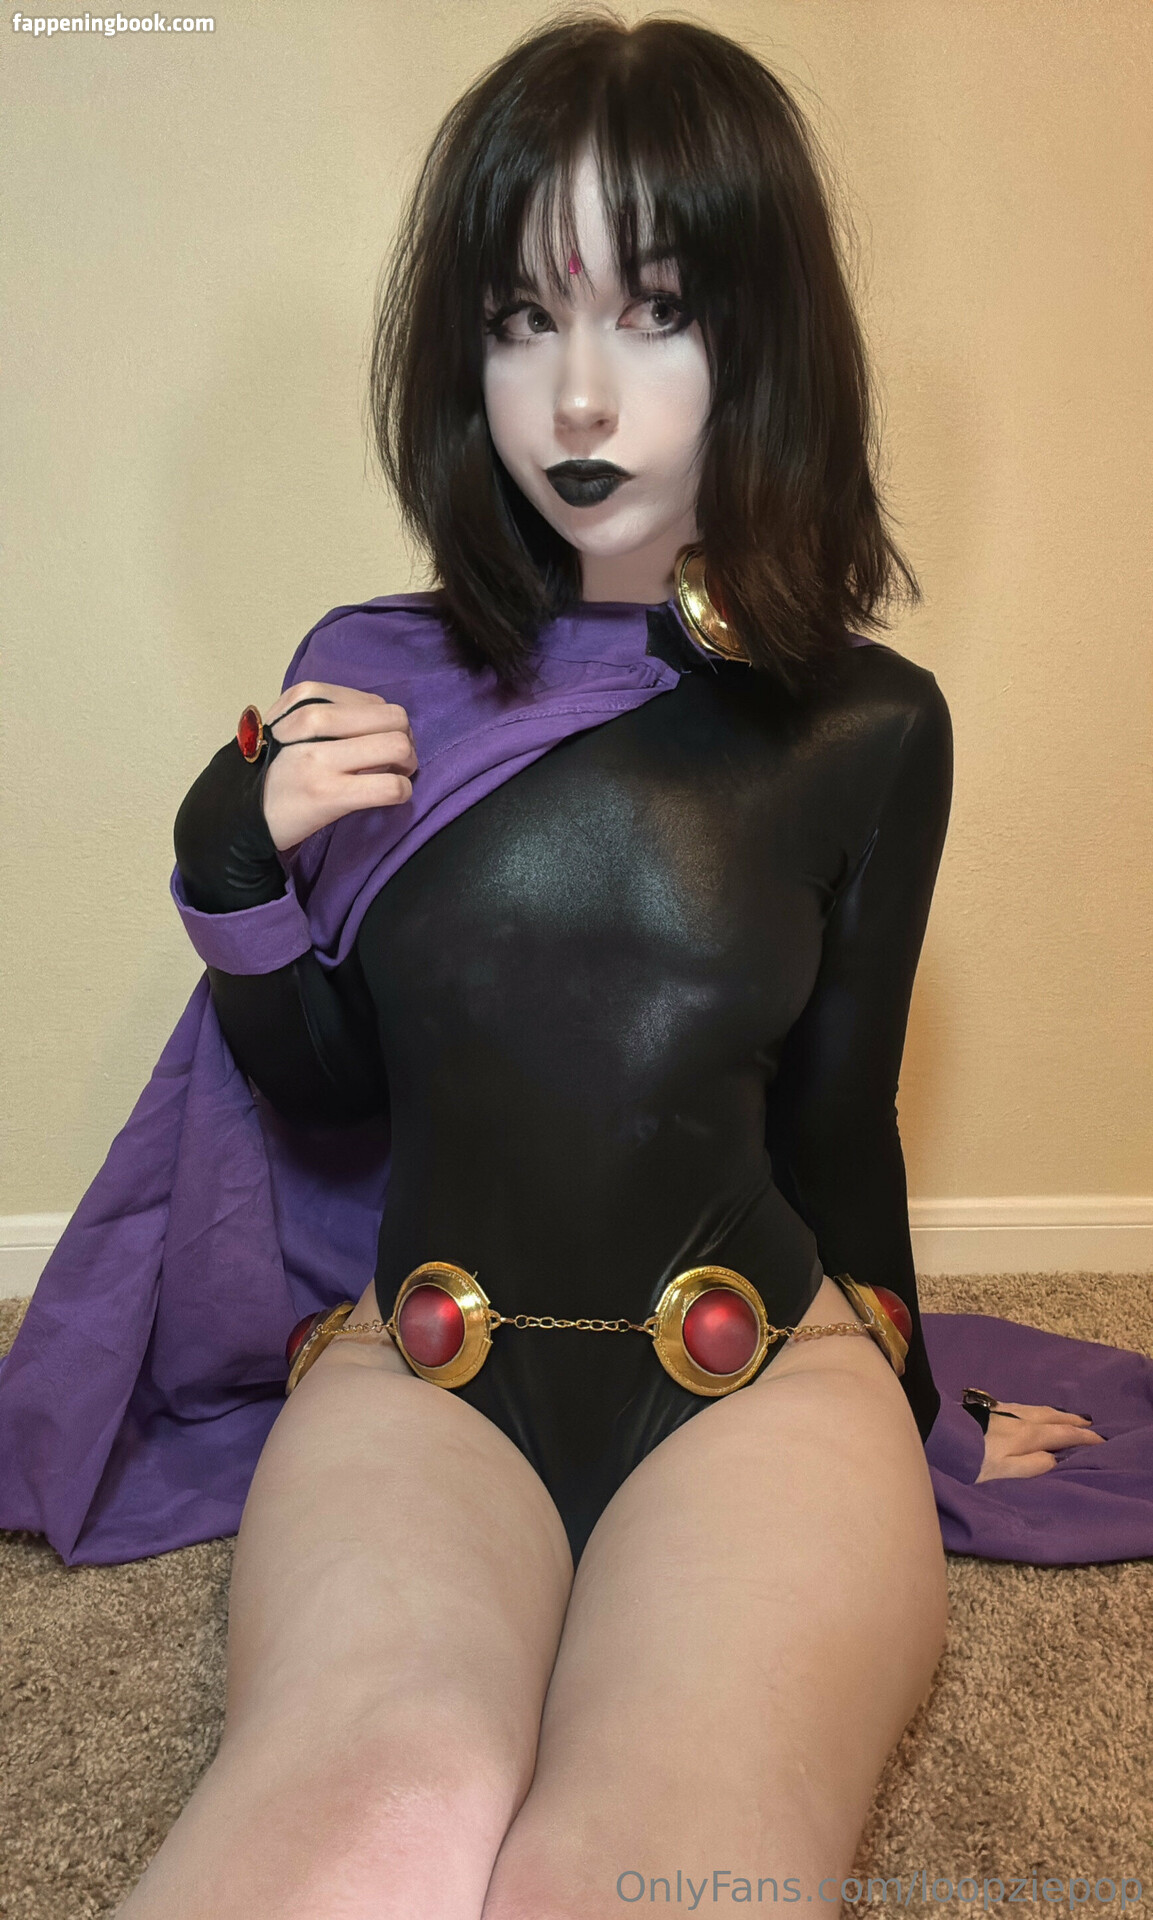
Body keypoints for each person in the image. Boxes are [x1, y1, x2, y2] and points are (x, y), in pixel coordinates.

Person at [27, 14, 1103, 1917]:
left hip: (760, 1375)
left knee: (646, 1865)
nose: (578, 397)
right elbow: (333, 1097)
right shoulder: (369, 674)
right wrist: (230, 873)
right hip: (425, 1369)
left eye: (655, 311)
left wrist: (927, 1411)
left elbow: (838, 1125)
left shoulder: (870, 727)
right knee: (363, 1807)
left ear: (762, 339)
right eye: (523, 319)